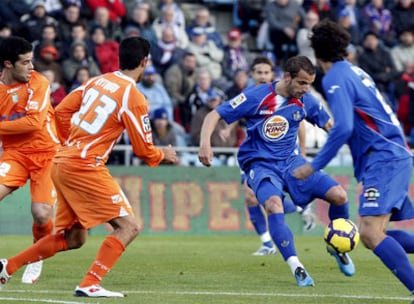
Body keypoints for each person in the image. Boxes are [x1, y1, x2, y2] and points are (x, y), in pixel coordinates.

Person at [0, 36, 177, 297]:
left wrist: (67, 143)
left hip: (61, 161)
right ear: (144, 62)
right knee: (129, 227)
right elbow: (143, 150)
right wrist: (163, 154)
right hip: (85, 165)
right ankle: (89, 283)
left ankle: (7, 267)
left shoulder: (97, 81)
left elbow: (61, 112)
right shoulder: (134, 97)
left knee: (74, 238)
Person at [198, 55, 354, 286]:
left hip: (292, 163)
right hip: (260, 164)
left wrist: (357, 147)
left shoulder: (306, 100)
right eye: (301, 83)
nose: (305, 88)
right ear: (287, 77)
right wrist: (205, 144)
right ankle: (296, 266)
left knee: (339, 195)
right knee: (272, 205)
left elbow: (330, 126)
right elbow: (215, 114)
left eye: (309, 84)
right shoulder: (256, 96)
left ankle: (338, 246)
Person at [294, 19, 414, 295]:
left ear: (316, 51)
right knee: (372, 232)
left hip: (384, 157)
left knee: (371, 234)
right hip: (391, 153)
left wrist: (314, 166)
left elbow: (344, 127)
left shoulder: (335, 77)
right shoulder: (354, 71)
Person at [0, 36, 61, 284]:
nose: (31, 67)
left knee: (41, 213)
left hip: (47, 153)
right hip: (14, 154)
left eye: (31, 60)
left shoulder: (39, 82)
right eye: (25, 62)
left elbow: (34, 123)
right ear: (7, 65)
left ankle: (36, 257)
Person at [243, 56, 316, 256]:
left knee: (264, 197)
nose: (263, 76)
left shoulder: (283, 96)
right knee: (250, 197)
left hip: (281, 156)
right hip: (256, 155)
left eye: (266, 72)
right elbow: (234, 114)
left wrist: (302, 149)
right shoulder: (249, 94)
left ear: (272, 74)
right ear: (253, 74)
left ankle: (298, 210)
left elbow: (299, 121)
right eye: (259, 72)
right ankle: (268, 242)